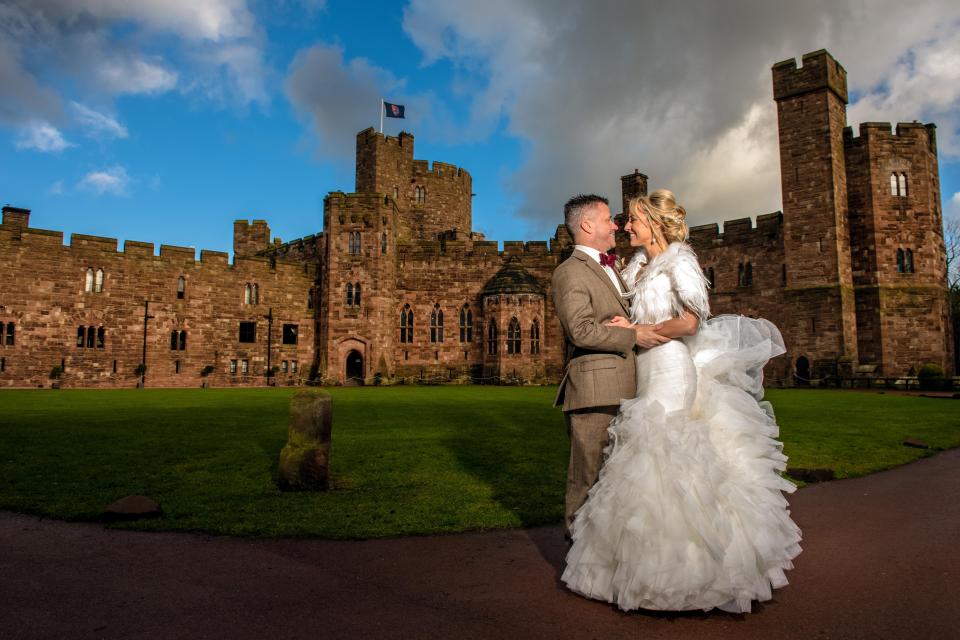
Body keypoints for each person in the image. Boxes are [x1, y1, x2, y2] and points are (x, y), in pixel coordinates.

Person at [560, 189, 802, 613]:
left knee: (669, 456)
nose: (624, 225)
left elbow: (692, 320)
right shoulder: (634, 267)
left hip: (670, 367)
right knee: (638, 464)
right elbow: (612, 322)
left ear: (653, 222)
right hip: (643, 371)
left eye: (632, 218)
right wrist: (630, 326)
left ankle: (690, 572)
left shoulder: (680, 260)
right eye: (620, 219)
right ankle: (638, 563)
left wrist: (643, 331)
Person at [552, 194, 671, 536]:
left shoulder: (614, 267)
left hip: (629, 386)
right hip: (595, 392)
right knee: (587, 479)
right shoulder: (569, 272)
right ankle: (577, 561)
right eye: (608, 219)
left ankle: (606, 559)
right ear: (587, 225)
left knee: (616, 481)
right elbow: (581, 330)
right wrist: (635, 336)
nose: (616, 225)